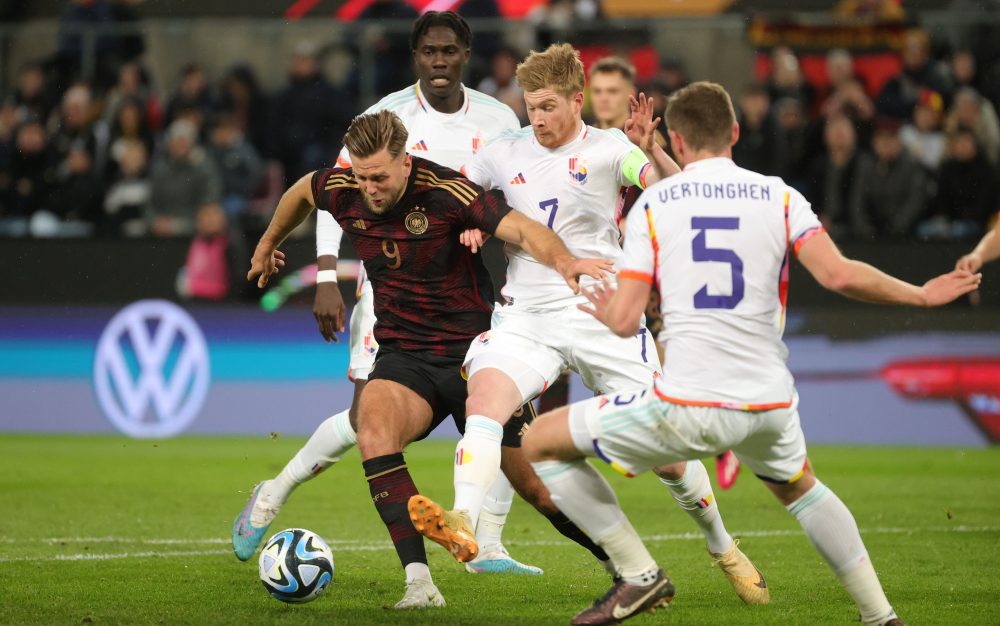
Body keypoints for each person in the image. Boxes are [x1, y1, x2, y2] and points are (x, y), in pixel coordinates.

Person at [519, 80, 981, 626]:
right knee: (802, 490)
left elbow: (625, 320)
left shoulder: (655, 205)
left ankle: (639, 575)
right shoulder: (780, 195)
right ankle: (881, 617)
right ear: (735, 132)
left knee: (540, 442)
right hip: (769, 401)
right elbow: (837, 274)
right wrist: (922, 293)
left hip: (692, 402)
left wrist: (605, 312)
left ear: (681, 141)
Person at [234, 12, 598, 579]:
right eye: (428, 50)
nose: (438, 60)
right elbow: (326, 190)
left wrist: (516, 234)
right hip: (388, 294)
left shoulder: (499, 117)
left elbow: (511, 190)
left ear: (464, 54)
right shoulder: (383, 120)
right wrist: (326, 274)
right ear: (415, 56)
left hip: (466, 295)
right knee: (367, 422)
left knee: (514, 448)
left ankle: (492, 543)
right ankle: (277, 494)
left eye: (448, 50)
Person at [408, 43, 769, 606]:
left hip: (603, 314)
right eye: (531, 106)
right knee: (484, 403)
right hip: (526, 313)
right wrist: (470, 223)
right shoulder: (502, 152)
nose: (539, 118)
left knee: (668, 455)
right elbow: (461, 197)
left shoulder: (611, 150)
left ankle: (723, 546)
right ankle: (463, 519)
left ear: (578, 101)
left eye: (549, 106)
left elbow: (670, 190)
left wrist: (650, 147)